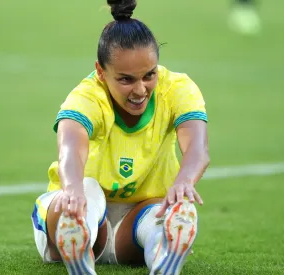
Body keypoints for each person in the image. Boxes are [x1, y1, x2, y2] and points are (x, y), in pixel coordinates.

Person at [31, 0, 210, 274]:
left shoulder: (177, 88)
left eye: (149, 75)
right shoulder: (88, 95)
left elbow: (197, 148)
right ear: (101, 72)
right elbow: (70, 147)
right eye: (126, 80)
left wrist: (185, 182)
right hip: (84, 206)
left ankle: (163, 256)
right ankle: (77, 238)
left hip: (136, 218)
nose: (140, 90)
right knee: (87, 193)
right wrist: (72, 188)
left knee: (164, 214)